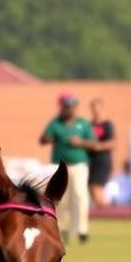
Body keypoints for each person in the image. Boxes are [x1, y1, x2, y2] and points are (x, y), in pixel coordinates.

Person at [40, 93, 105, 244]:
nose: (72, 109)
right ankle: (62, 228)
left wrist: (80, 142)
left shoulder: (83, 123)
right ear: (62, 107)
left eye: (74, 106)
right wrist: (49, 138)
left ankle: (82, 229)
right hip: (60, 166)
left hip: (79, 165)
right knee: (62, 198)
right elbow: (43, 139)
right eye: (68, 106)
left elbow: (95, 144)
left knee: (80, 196)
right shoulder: (55, 123)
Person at [88, 98, 115, 208]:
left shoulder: (107, 125)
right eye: (93, 108)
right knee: (92, 188)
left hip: (102, 161)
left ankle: (106, 211)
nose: (96, 111)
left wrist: (98, 146)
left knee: (96, 187)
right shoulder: (89, 125)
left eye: (97, 108)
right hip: (91, 161)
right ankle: (103, 210)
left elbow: (112, 142)